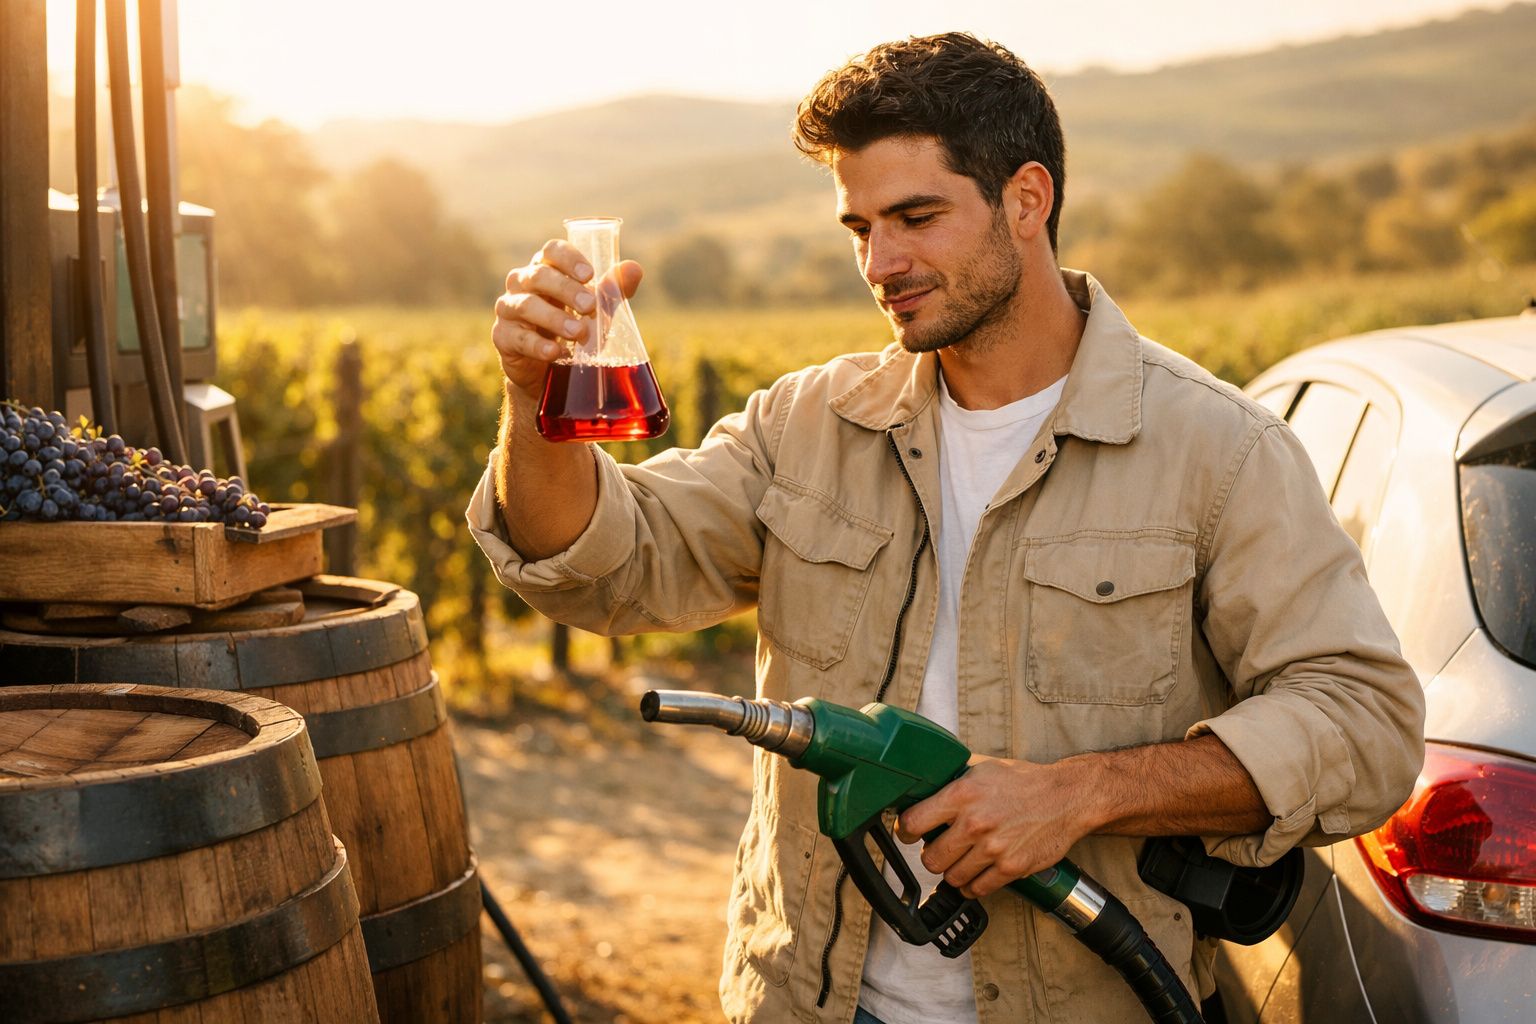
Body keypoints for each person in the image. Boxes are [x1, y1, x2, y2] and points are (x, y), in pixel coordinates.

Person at [467, 32, 1424, 1024]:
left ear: (1027, 200)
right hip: (810, 1004)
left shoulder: (1219, 450)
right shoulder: (807, 424)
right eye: (860, 226)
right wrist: (535, 400)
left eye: (915, 217)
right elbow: (598, 564)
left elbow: (1365, 724)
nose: (881, 262)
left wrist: (1081, 794)